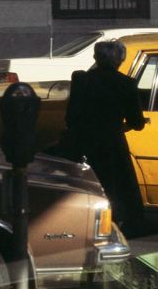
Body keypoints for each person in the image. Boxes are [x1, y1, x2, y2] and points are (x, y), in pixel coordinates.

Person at [63, 40, 148, 231]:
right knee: (117, 187)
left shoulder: (81, 80)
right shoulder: (126, 84)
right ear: (120, 60)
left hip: (82, 143)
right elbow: (137, 122)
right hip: (112, 144)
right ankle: (114, 224)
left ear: (96, 58)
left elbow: (71, 116)